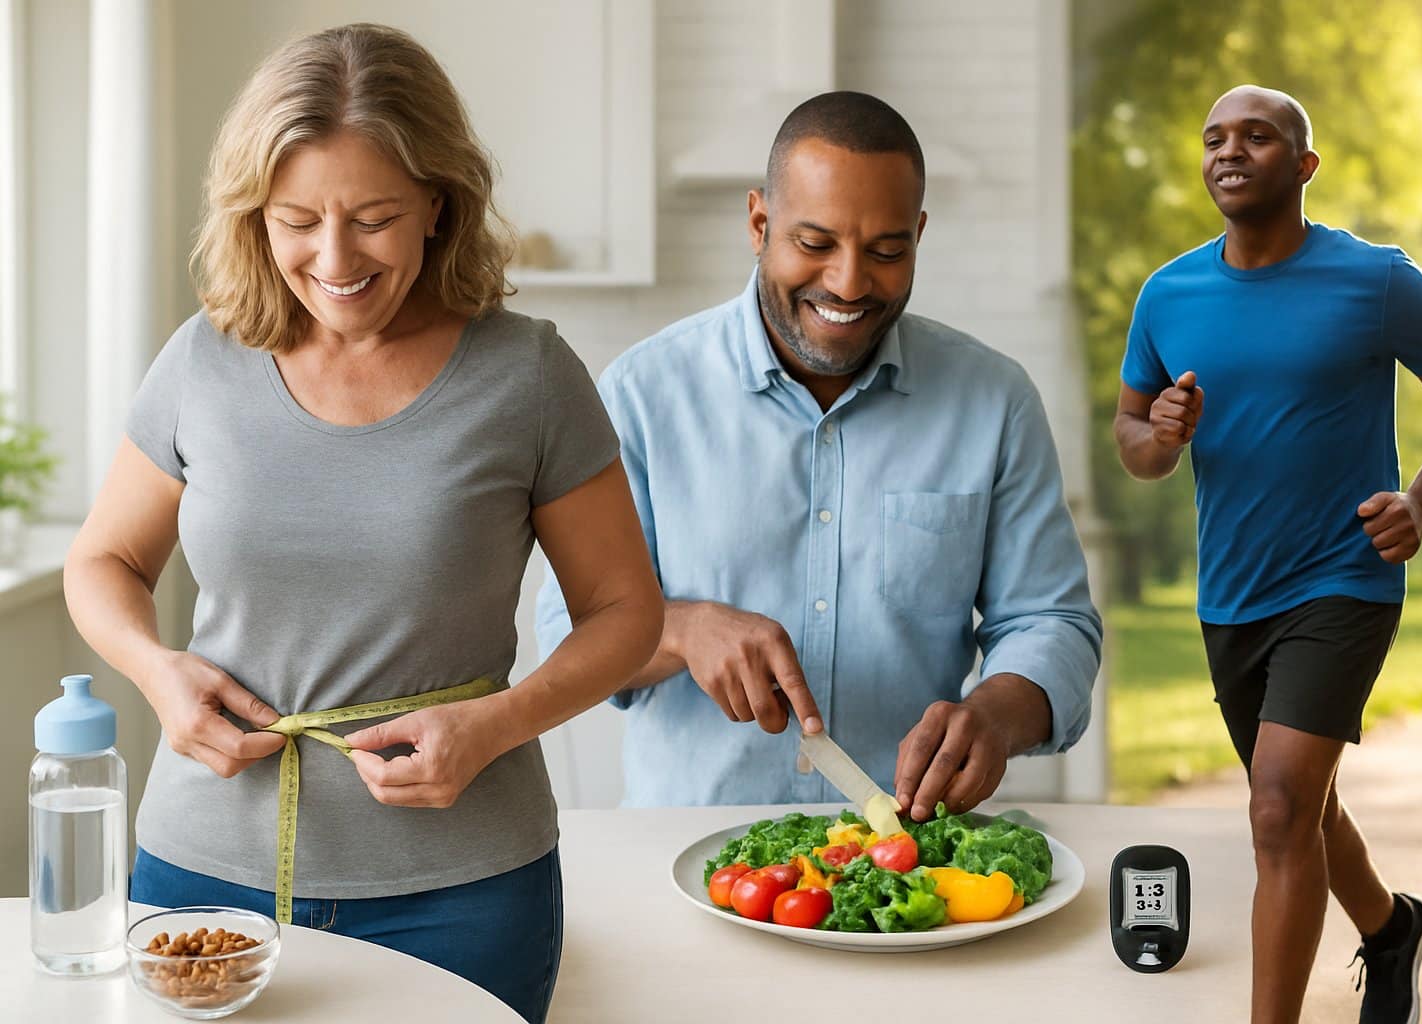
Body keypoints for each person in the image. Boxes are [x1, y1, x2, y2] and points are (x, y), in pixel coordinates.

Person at [62, 24, 662, 1023]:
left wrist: (494, 725)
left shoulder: (529, 375)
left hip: (465, 889)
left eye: (374, 217)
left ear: (438, 202)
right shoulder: (202, 361)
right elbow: (104, 559)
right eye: (296, 219)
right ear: (255, 215)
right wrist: (158, 672)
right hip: (205, 875)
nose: (333, 257)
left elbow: (625, 610)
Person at [536, 91, 1102, 820]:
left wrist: (995, 713)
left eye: (887, 251)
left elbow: (1050, 622)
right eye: (814, 243)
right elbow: (565, 632)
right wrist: (681, 628)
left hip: (907, 866)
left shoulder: (994, 401)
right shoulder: (641, 394)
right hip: (690, 854)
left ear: (919, 235)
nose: (848, 282)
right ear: (759, 223)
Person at [1114, 85, 1422, 1024]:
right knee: (1302, 803)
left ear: (1303, 165)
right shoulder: (1168, 294)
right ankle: (1393, 926)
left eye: (1257, 135)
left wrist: (1420, 498)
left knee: (1279, 809)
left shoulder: (1376, 281)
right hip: (1231, 591)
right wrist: (1159, 432)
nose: (1228, 151)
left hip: (1345, 575)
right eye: (1213, 138)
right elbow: (1133, 440)